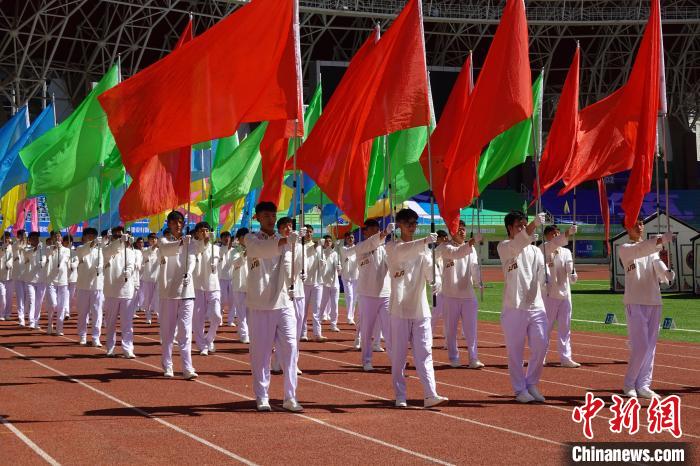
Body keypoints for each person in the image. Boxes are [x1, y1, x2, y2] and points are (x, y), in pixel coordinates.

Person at [386, 208, 448, 409]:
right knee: (399, 356)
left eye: (414, 223)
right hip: (400, 310)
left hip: (420, 309)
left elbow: (431, 268)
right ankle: (400, 394)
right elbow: (405, 252)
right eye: (408, 223)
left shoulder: (423, 250)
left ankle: (430, 394)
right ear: (399, 226)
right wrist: (423, 242)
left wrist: (436, 280)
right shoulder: (392, 247)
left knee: (425, 353)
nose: (412, 227)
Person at [246, 201, 302, 412]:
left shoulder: (284, 240)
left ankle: (290, 396)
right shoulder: (251, 239)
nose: (271, 219)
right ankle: (262, 395)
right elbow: (262, 250)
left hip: (283, 301)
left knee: (290, 349)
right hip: (260, 303)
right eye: (266, 215)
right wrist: (286, 242)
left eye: (273, 215)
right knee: (261, 353)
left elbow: (292, 269)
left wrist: (297, 247)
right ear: (257, 218)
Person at [618, 217, 675, 399]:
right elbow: (641, 250)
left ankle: (644, 384)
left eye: (641, 223)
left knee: (650, 347)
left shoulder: (651, 249)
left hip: (654, 300)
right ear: (628, 227)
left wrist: (666, 272)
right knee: (641, 346)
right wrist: (660, 241)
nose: (639, 226)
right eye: (635, 224)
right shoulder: (625, 249)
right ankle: (629, 384)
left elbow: (655, 262)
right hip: (635, 301)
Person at [497, 210, 548, 403]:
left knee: (541, 344)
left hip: (535, 305)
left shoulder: (535, 250)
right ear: (509, 228)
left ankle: (531, 382)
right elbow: (518, 243)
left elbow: (542, 275)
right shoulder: (505, 247)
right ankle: (519, 389)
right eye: (519, 225)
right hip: (514, 306)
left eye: (524, 225)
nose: (522, 228)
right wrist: (534, 225)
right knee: (515, 350)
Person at [437, 221, 484, 369]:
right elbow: (456, 254)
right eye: (459, 230)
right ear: (452, 232)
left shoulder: (472, 249)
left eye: (463, 229)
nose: (462, 232)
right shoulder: (445, 247)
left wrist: (478, 281)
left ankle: (473, 357)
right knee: (451, 330)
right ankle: (454, 357)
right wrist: (471, 242)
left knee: (471, 330)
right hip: (450, 295)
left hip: (468, 295)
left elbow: (474, 267)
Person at [158, 211, 198, 380]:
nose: (178, 225)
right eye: (174, 222)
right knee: (168, 332)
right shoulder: (163, 241)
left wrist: (189, 273)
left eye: (180, 222)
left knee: (185, 331)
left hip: (187, 292)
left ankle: (187, 367)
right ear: (169, 224)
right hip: (169, 292)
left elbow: (193, 259)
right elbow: (167, 251)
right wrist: (182, 243)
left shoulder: (190, 242)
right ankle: (167, 364)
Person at [540, 224, 580, 368]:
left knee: (565, 328)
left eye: (558, 233)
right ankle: (541, 356)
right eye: (553, 234)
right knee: (546, 328)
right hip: (549, 295)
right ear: (547, 236)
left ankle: (566, 357)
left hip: (565, 294)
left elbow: (569, 267)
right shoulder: (542, 249)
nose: (556, 236)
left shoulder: (566, 251)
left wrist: (573, 274)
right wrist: (567, 232)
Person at [356, 219, 392, 370]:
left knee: (390, 330)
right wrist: (384, 233)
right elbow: (372, 243)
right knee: (367, 329)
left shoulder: (385, 249)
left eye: (378, 229)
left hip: (385, 294)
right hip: (367, 294)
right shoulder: (360, 248)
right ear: (365, 232)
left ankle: (395, 359)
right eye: (373, 229)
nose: (377, 232)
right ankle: (367, 360)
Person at [277, 217, 305, 375]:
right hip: (283, 293)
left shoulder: (298, 246)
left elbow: (300, 265)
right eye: (284, 227)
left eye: (290, 226)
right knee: (285, 330)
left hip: (298, 292)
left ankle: (293, 361)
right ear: (279, 230)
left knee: (297, 330)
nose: (288, 229)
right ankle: (281, 361)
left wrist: (299, 241)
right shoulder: (278, 245)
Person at [102, 227, 136, 358]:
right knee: (110, 323)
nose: (119, 239)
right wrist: (119, 241)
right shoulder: (107, 250)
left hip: (126, 290)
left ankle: (128, 348)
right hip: (111, 291)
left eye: (121, 236)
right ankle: (110, 347)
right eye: (116, 237)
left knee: (127, 323)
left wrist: (129, 270)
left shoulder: (130, 252)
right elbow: (110, 250)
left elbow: (131, 264)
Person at [192, 221, 222, 356]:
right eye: (201, 230)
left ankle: (209, 338)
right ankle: (202, 345)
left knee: (216, 315)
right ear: (197, 233)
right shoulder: (193, 246)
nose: (204, 233)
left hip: (213, 285)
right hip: (198, 286)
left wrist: (214, 263)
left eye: (206, 230)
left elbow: (216, 258)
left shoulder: (216, 248)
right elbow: (199, 250)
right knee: (198, 318)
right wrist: (204, 243)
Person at [75, 228, 104, 346]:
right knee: (83, 312)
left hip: (97, 285)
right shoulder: (80, 249)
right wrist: (93, 243)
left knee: (97, 312)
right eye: (89, 236)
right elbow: (84, 251)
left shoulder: (101, 251)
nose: (91, 238)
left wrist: (100, 268)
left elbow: (103, 262)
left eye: (93, 236)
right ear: (84, 237)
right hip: (83, 286)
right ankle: (82, 335)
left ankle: (96, 337)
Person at [303, 225, 325, 342]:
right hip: (305, 282)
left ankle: (317, 333)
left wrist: (323, 262)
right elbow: (308, 252)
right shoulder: (301, 246)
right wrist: (317, 245)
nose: (309, 234)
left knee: (317, 309)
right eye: (306, 232)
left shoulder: (319, 247)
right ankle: (303, 333)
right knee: (303, 310)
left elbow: (322, 262)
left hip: (318, 281)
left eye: (310, 232)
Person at [46, 235, 71, 336]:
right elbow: (48, 255)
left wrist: (60, 264)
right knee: (53, 304)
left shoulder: (66, 250)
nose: (57, 239)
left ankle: (59, 328)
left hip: (62, 280)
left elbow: (65, 259)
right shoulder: (48, 249)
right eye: (55, 238)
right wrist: (54, 248)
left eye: (59, 237)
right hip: (51, 280)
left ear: (62, 239)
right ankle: (50, 323)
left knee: (61, 306)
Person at [230, 228, 250, 343]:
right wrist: (245, 254)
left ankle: (250, 333)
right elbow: (236, 263)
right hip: (239, 285)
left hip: (251, 285)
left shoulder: (254, 250)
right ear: (239, 238)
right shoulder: (234, 251)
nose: (246, 240)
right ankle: (244, 335)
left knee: (251, 313)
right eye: (244, 237)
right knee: (241, 312)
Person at [22, 232, 44, 330]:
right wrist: (37, 249)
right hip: (30, 279)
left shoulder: (43, 249)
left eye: (37, 238)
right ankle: (31, 321)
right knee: (32, 300)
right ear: (30, 240)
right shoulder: (26, 249)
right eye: (33, 238)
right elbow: (28, 254)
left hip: (41, 280)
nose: (36, 240)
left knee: (39, 302)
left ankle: (36, 321)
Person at [319, 235, 341, 333]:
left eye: (330, 241)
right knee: (323, 304)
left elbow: (337, 266)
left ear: (332, 243)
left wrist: (339, 267)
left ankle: (333, 324)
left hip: (334, 283)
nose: (328, 243)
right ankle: (318, 321)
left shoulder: (335, 254)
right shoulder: (320, 253)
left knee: (335, 304)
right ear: (324, 243)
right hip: (324, 283)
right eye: (326, 241)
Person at [339, 232, 358, 325]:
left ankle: (352, 316)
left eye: (352, 237)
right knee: (349, 296)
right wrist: (360, 246)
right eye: (349, 238)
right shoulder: (343, 249)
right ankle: (349, 317)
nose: (350, 239)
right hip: (346, 276)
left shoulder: (357, 249)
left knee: (354, 298)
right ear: (346, 239)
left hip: (356, 276)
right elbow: (349, 252)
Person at [140, 233, 160, 324]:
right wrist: (153, 247)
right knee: (148, 298)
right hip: (148, 279)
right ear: (148, 240)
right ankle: (148, 315)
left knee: (158, 298)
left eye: (155, 239)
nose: (153, 240)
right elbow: (145, 256)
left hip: (158, 278)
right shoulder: (145, 250)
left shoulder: (160, 251)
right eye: (152, 239)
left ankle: (159, 315)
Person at [217, 231, 234, 326]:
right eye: (225, 237)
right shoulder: (218, 250)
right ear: (221, 239)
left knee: (232, 300)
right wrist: (226, 249)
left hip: (232, 278)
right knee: (222, 300)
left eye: (228, 237)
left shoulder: (234, 250)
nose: (227, 239)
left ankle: (230, 320)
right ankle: (219, 318)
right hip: (221, 278)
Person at [12, 230, 27, 326]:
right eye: (21, 235)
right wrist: (19, 241)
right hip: (17, 276)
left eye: (24, 235)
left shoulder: (28, 246)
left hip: (27, 276)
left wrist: (25, 244)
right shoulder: (15, 246)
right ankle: (21, 318)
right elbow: (16, 247)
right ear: (18, 236)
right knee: (20, 298)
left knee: (28, 298)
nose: (23, 237)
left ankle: (26, 314)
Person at [0, 233, 13, 321]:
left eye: (8, 238)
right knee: (2, 295)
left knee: (9, 297)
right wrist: (2, 248)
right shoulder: (1, 247)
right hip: (1, 276)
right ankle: (1, 313)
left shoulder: (13, 248)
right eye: (5, 239)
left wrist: (10, 263)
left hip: (10, 276)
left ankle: (8, 313)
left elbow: (15, 257)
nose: (7, 240)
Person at [66, 235, 79, 317]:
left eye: (70, 241)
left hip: (73, 278)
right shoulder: (63, 252)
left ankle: (68, 310)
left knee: (70, 296)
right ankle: (66, 312)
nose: (68, 243)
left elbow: (77, 262)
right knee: (65, 295)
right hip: (64, 278)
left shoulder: (75, 252)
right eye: (66, 242)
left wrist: (72, 265)